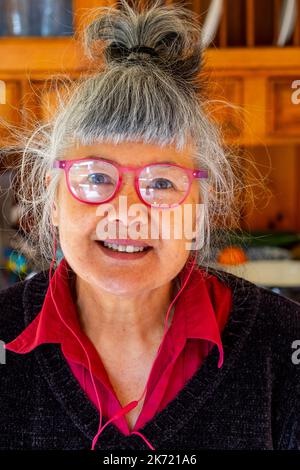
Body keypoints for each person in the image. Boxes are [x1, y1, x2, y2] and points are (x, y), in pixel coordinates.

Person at [0, 0, 299, 451]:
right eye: (96, 177)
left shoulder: (286, 348)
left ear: (200, 206)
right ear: (53, 197)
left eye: (161, 183)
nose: (127, 211)